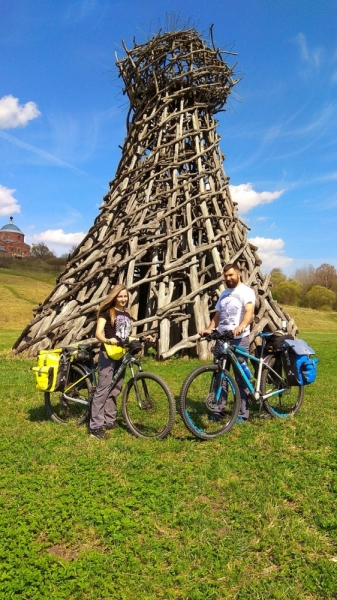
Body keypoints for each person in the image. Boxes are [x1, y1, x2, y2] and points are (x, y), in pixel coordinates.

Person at [199, 262, 256, 422]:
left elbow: (249, 312)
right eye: (225, 276)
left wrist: (242, 326)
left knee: (240, 377)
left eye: (231, 275)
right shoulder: (224, 294)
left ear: (238, 274)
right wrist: (210, 328)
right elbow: (218, 315)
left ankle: (242, 412)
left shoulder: (246, 292)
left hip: (239, 339)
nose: (228, 278)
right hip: (222, 339)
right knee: (220, 375)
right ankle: (218, 410)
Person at [89, 284, 133, 439]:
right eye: (120, 296)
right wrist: (108, 340)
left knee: (115, 388)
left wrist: (141, 339)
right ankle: (95, 427)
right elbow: (98, 333)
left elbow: (125, 336)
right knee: (103, 389)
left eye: (125, 296)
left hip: (121, 353)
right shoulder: (107, 312)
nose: (123, 299)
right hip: (108, 354)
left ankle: (109, 420)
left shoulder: (127, 314)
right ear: (114, 297)